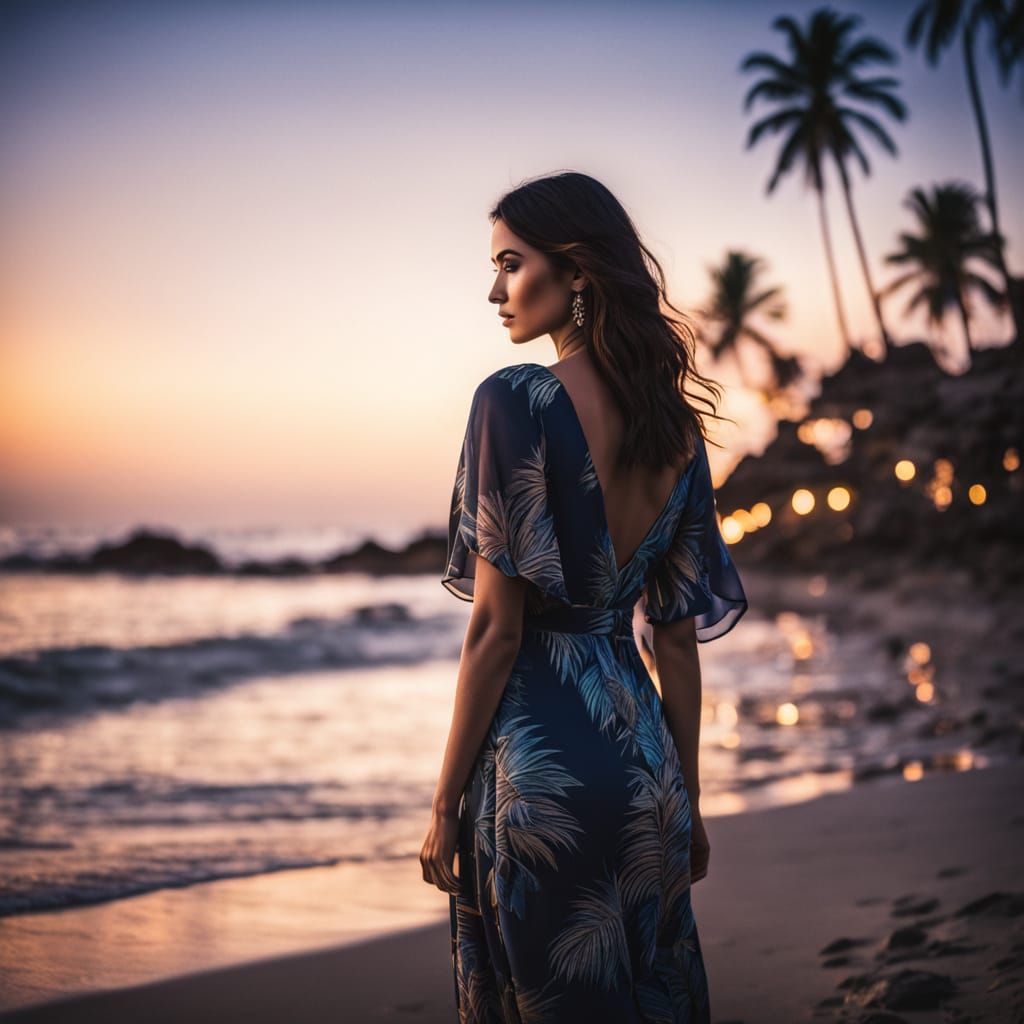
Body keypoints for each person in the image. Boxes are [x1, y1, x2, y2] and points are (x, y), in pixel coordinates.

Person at [420, 170, 749, 1023]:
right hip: (646, 767)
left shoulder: (513, 400)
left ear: (575, 271)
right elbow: (674, 640)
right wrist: (688, 802)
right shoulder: (676, 431)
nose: (495, 291)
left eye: (511, 264)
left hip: (543, 772)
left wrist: (444, 801)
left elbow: (496, 630)